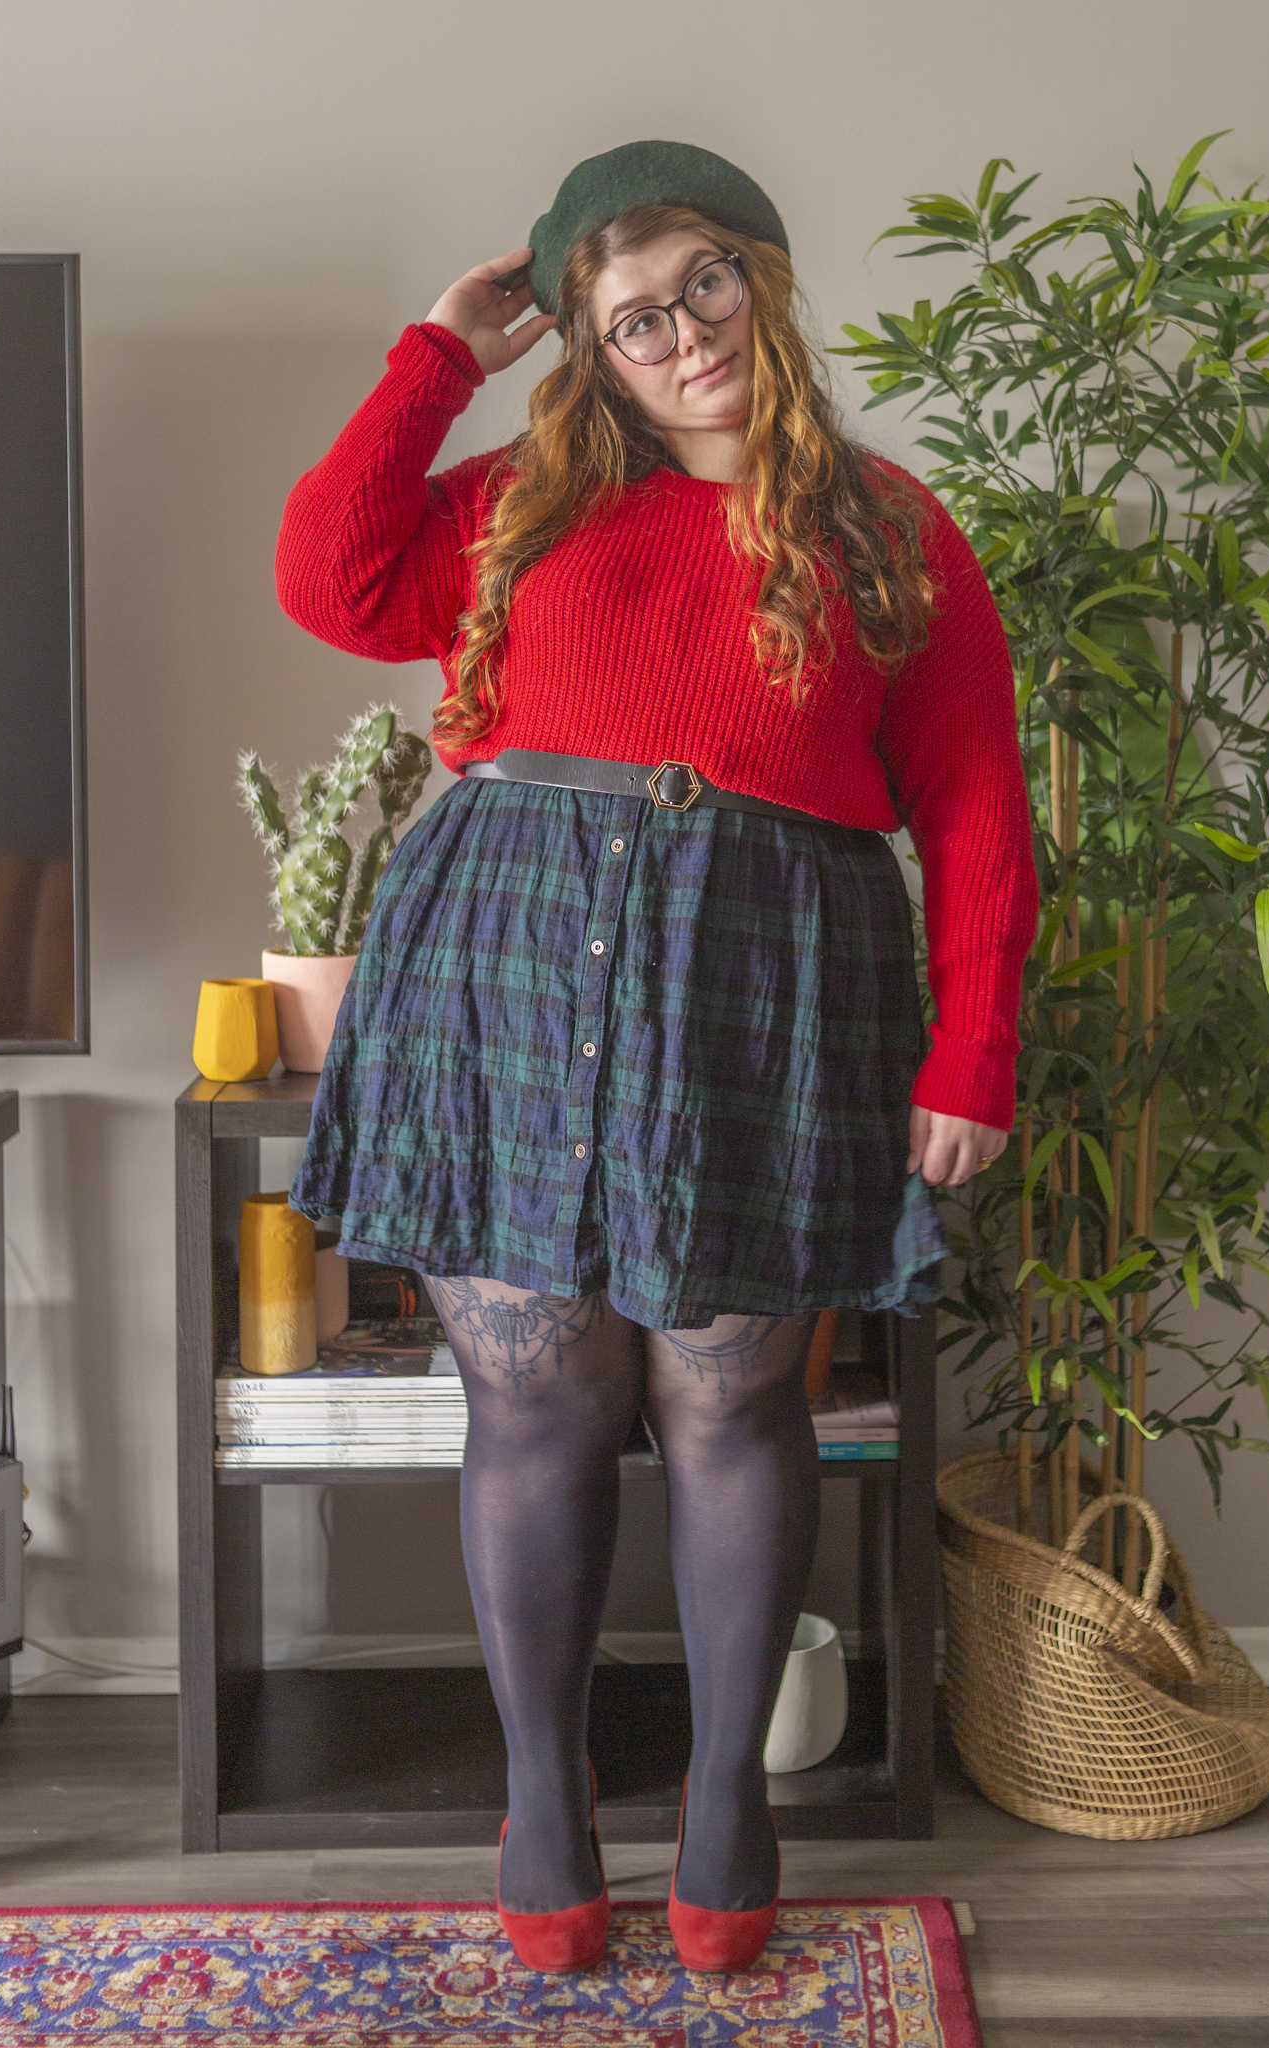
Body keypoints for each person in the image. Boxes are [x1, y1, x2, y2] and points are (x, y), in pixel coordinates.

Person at [275, 140, 1038, 1974]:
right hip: (507, 971)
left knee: (728, 1405)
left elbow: (975, 803)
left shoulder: (889, 527)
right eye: (627, 316)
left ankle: (723, 1796)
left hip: (770, 981)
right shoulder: (520, 500)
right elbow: (326, 576)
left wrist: (974, 1054)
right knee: (534, 1405)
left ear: (761, 281)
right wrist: (436, 357)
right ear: (592, 351)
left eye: (702, 281)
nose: (678, 331)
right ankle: (541, 1800)